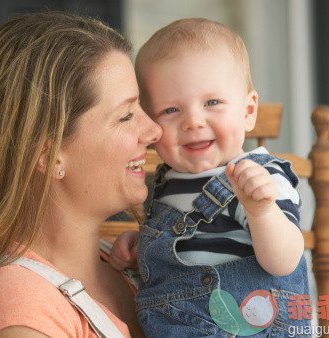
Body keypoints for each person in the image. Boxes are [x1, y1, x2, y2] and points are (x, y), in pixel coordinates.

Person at [0, 11, 161, 337]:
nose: (153, 130)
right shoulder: (20, 313)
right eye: (126, 116)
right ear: (49, 154)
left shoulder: (136, 264)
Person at [110, 18, 310, 337]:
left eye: (212, 103)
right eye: (171, 110)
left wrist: (261, 212)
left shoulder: (258, 177)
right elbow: (187, 250)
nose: (193, 121)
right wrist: (143, 247)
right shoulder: (167, 180)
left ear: (248, 111)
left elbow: (285, 261)